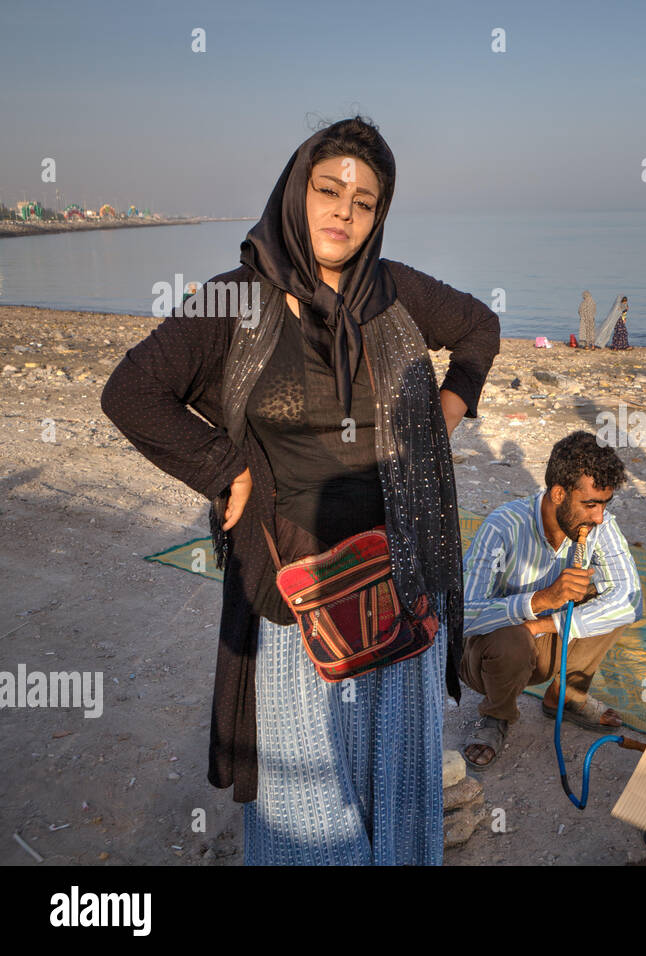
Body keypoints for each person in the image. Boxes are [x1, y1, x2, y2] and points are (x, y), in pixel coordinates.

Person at [100, 117, 500, 865]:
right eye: (328, 189)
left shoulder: (395, 291)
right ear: (296, 191)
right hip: (292, 598)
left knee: (399, 791)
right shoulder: (236, 302)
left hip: (400, 581)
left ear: (379, 215)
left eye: (364, 200)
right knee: (308, 809)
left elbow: (479, 327)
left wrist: (448, 410)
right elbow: (132, 391)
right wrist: (226, 467)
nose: (344, 211)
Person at [459, 432, 643, 768]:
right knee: (511, 635)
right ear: (558, 493)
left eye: (605, 504)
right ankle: (496, 714)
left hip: (547, 637)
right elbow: (464, 616)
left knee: (615, 598)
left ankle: (566, 696)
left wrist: (545, 622)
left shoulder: (599, 526)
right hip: (487, 654)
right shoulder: (504, 526)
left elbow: (631, 598)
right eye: (590, 504)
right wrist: (541, 600)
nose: (599, 517)